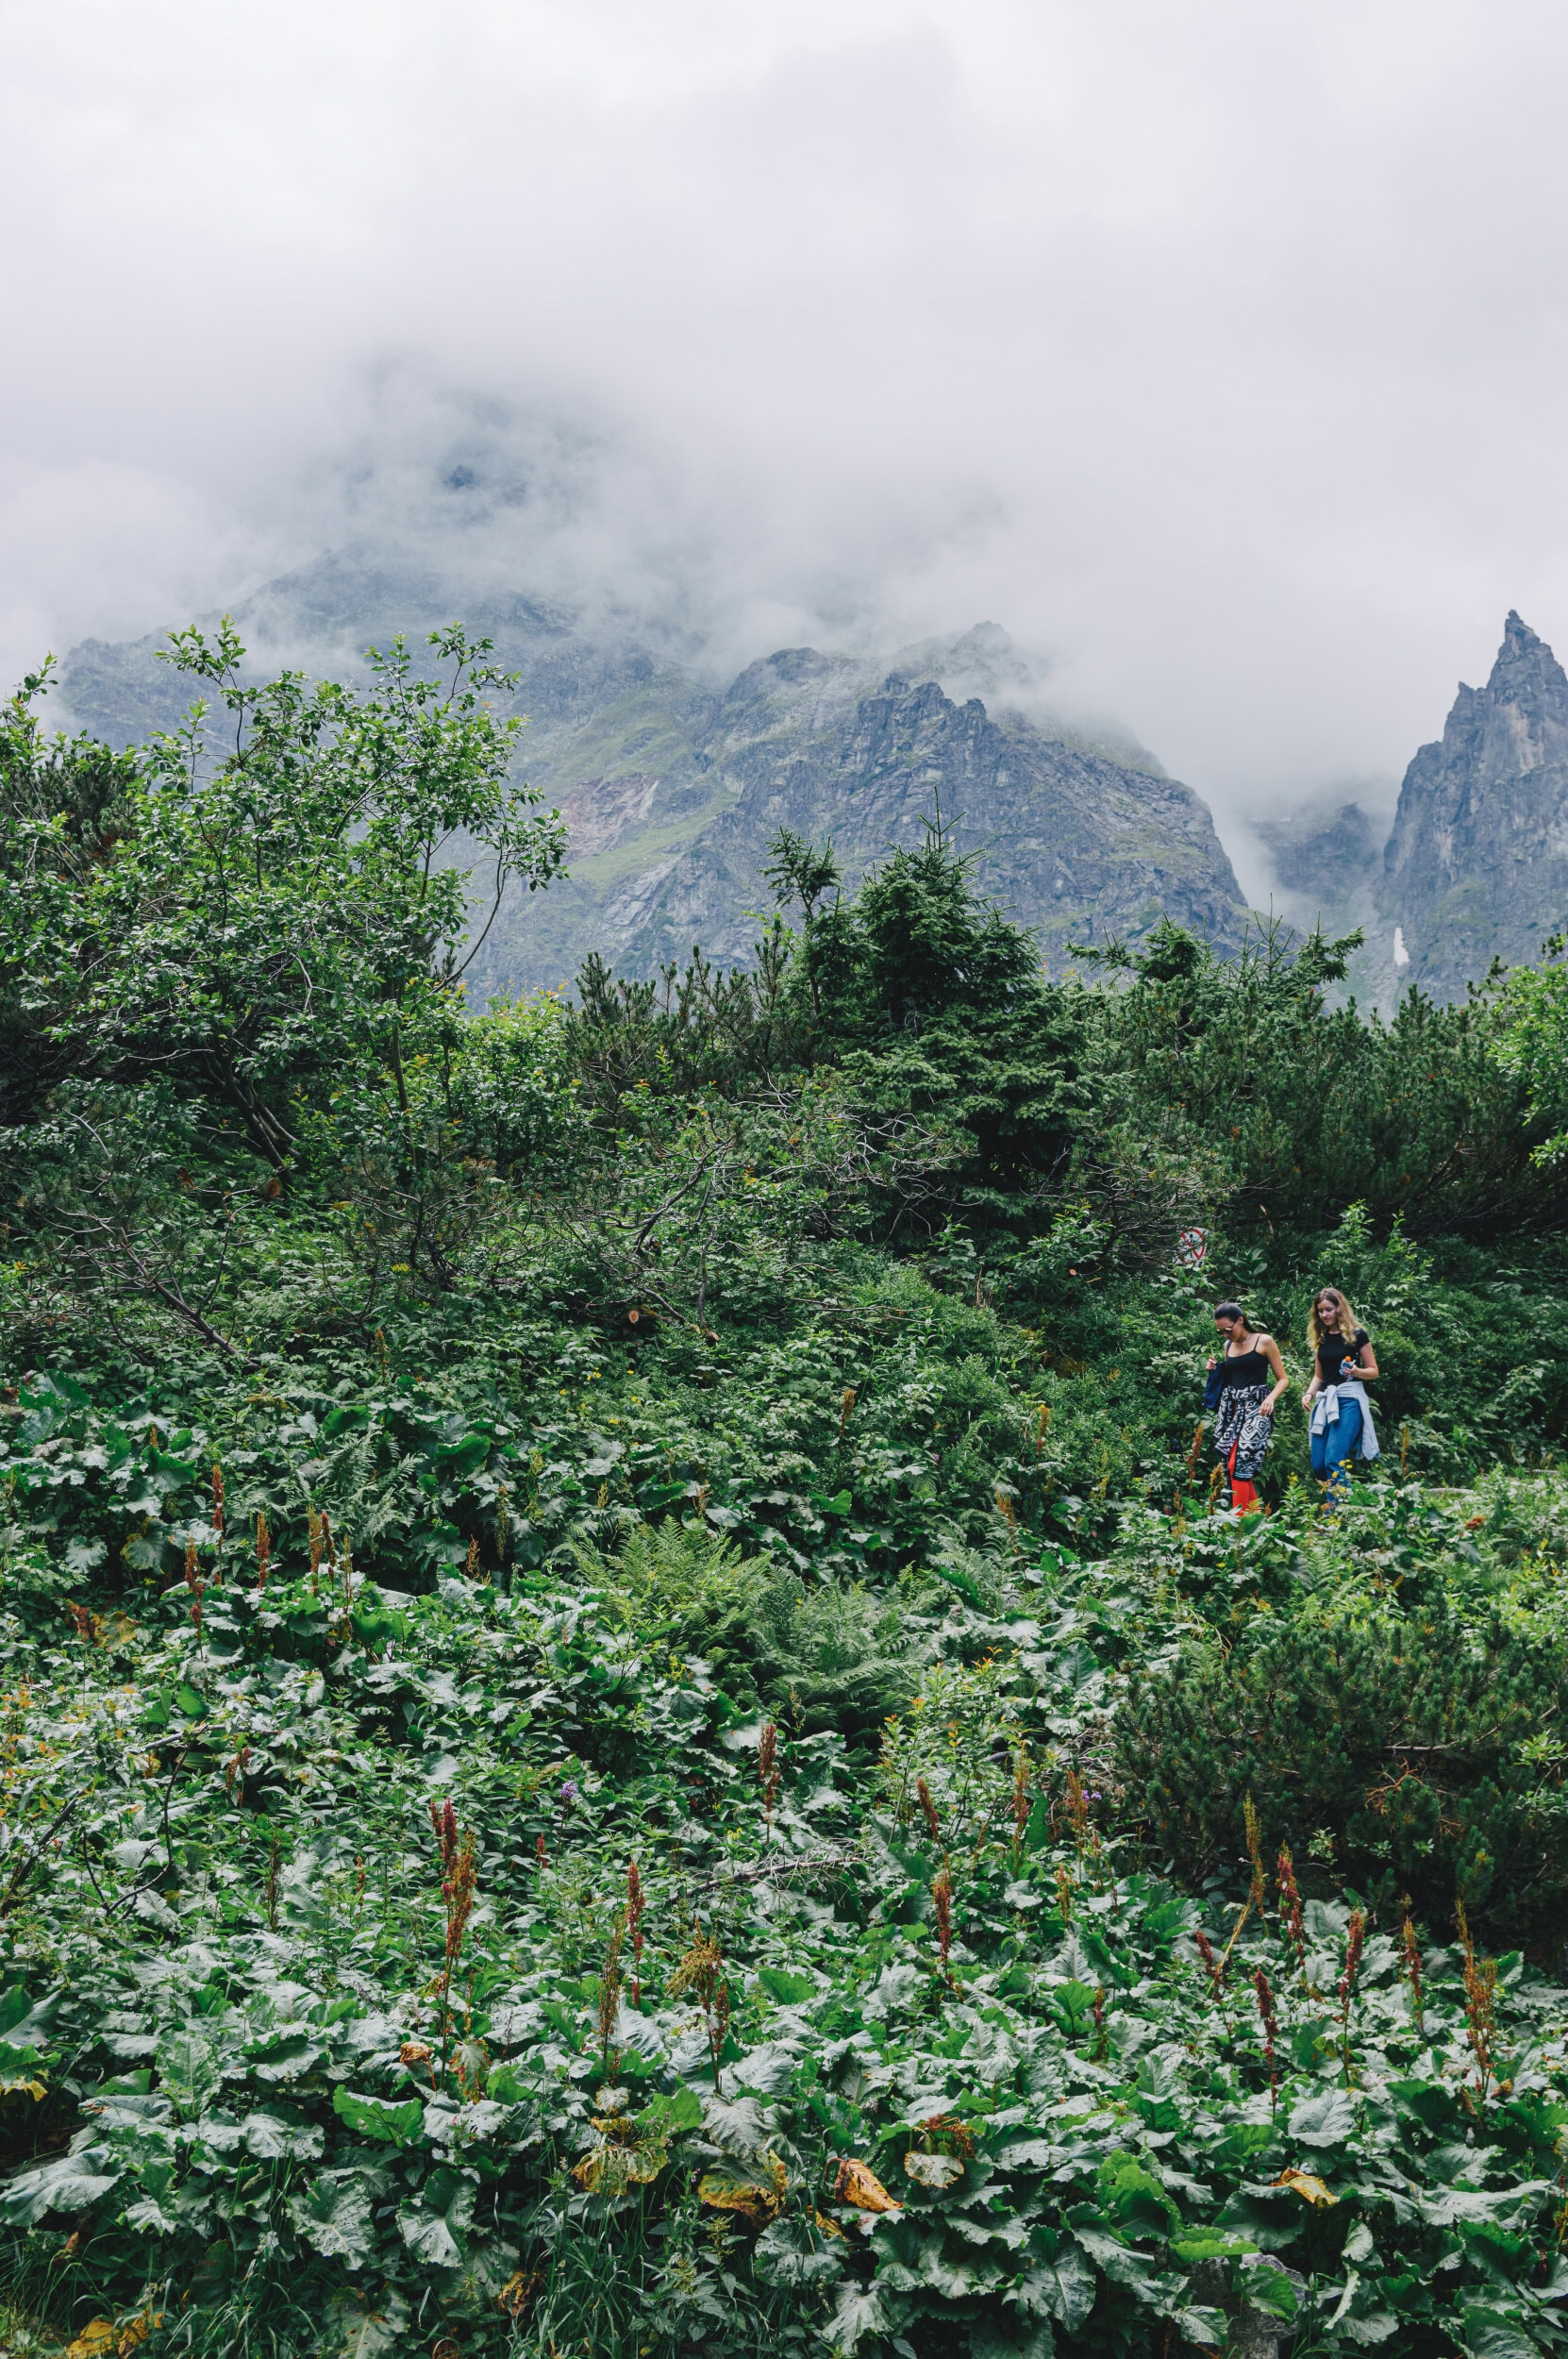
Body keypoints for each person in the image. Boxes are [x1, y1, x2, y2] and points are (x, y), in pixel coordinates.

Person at [1206, 1301, 1289, 1514]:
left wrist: (1270, 1399)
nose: (1225, 1334)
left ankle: (1238, 1525)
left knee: (1239, 1465)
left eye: (1228, 1329)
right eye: (1220, 1331)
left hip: (1259, 1410)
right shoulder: (1227, 1347)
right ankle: (1257, 1523)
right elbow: (1233, 1378)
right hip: (1235, 1411)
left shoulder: (1264, 1341)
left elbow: (1283, 1379)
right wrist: (1215, 1370)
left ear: (1240, 1320)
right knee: (1232, 1467)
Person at [1302, 1286, 1379, 1502]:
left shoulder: (1357, 1335)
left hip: (1350, 1400)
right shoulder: (1322, 1337)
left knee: (1334, 1460)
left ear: (1339, 1308)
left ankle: (1335, 1519)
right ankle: (1350, 1507)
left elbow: (1374, 1371)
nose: (1325, 1315)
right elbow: (1319, 1376)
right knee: (1319, 1465)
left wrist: (1356, 1371)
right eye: (1320, 1311)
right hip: (1326, 1400)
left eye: (1329, 1309)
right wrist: (1309, 1394)